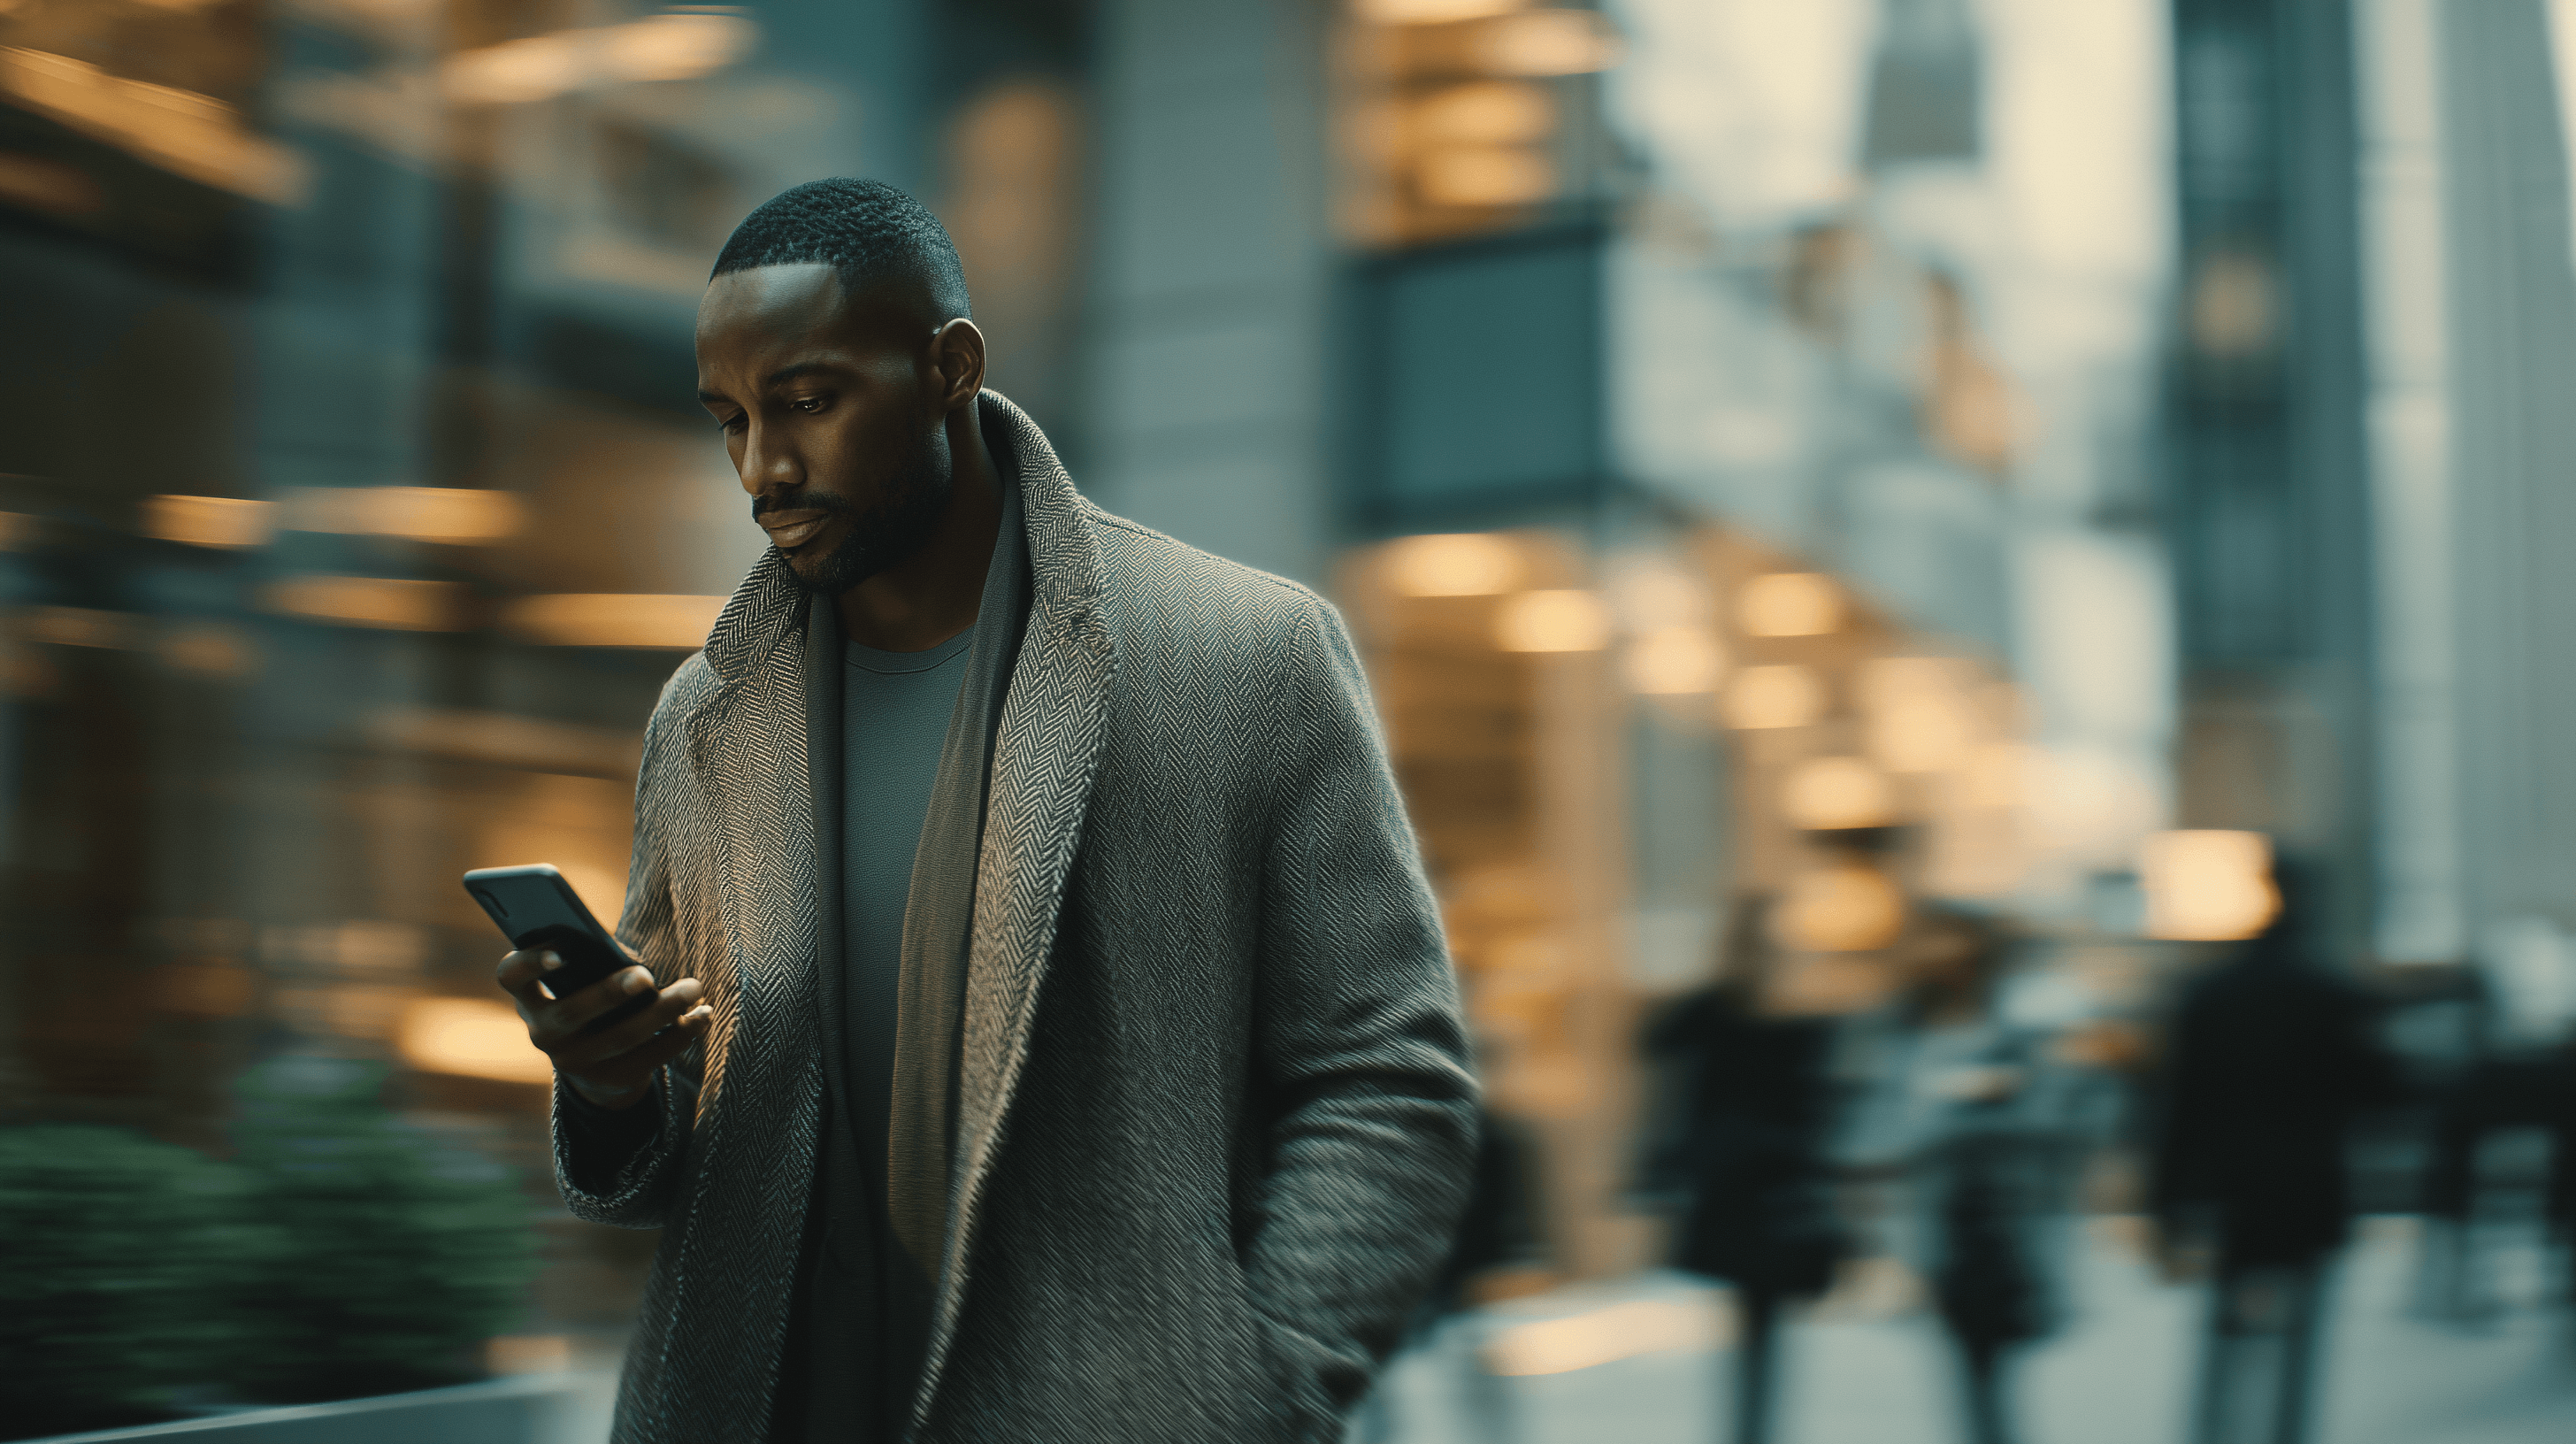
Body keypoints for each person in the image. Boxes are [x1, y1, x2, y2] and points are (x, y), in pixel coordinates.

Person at [488, 179, 1478, 1444]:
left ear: (949, 368)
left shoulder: (1243, 657)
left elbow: (1385, 1080)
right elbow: (679, 1137)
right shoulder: (702, 717)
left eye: (808, 402)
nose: (762, 469)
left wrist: (1255, 1395)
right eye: (730, 419)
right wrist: (609, 1085)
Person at [2150, 856, 2394, 1444]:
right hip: (2309, 1187)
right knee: (2301, 1340)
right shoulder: (2331, 994)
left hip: (2233, 1191)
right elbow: (2380, 1091)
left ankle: (2215, 1430)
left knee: (2227, 1330)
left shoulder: (2211, 993)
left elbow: (2179, 1105)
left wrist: (2167, 1203)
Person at [1838, 903, 2093, 1444]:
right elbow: (1870, 1137)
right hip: (1939, 1231)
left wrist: (1990, 1111)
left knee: (1989, 1365)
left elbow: (2063, 1117)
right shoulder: (1900, 1038)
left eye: (1962, 953)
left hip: (2009, 1223)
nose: (1950, 965)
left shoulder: (2019, 1032)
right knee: (1971, 1369)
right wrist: (1944, 1120)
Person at [1643, 897, 1848, 1444]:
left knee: (1757, 1323)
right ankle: (1752, 1428)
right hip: (1753, 1189)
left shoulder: (1754, 1015)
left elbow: (1658, 1051)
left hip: (1756, 1191)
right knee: (1759, 1325)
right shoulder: (1755, 1015)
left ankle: (1750, 1429)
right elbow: (1659, 1053)